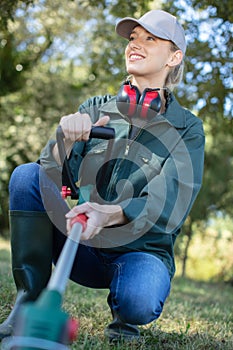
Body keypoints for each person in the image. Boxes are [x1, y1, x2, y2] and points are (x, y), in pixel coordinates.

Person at [0, 9, 205, 343]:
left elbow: (175, 198)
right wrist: (63, 141)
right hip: (82, 238)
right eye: (133, 38)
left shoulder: (189, 129)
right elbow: (50, 174)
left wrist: (109, 213)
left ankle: (124, 318)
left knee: (140, 300)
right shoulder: (97, 108)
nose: (135, 45)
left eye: (149, 39)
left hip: (141, 251)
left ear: (174, 56)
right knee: (27, 176)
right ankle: (28, 302)